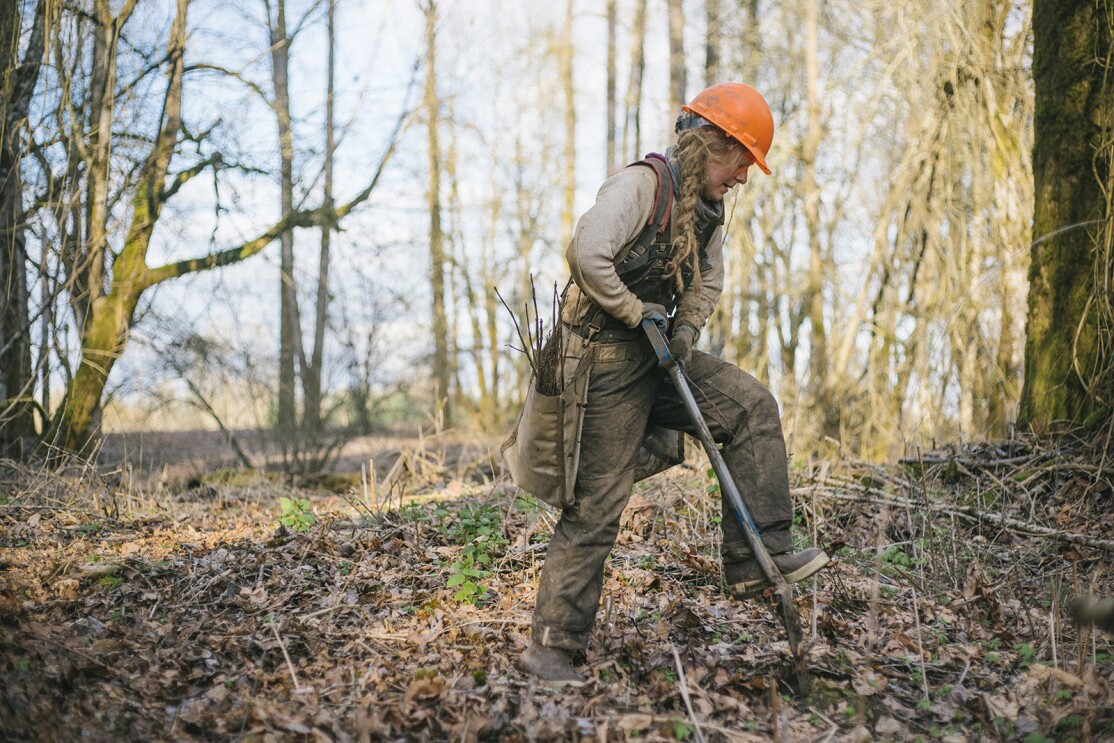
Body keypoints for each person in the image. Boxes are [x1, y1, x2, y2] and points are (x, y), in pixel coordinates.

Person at [517, 83, 830, 687]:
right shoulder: (641, 186)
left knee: (749, 407)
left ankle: (755, 554)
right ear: (713, 144)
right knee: (597, 506)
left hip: (657, 356)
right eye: (741, 161)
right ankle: (552, 650)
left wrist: (684, 330)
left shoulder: (709, 214)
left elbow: (708, 282)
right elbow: (587, 253)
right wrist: (638, 314)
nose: (743, 177)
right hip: (602, 362)